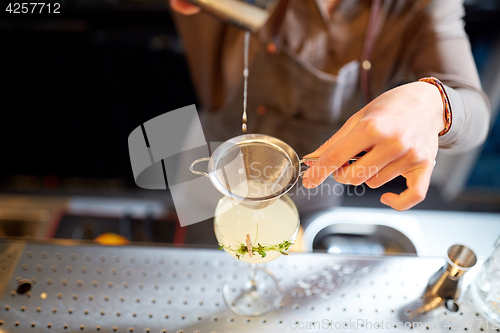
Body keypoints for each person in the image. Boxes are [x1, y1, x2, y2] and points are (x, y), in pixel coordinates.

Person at [170, 0, 490, 212]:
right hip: (214, 157)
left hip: (312, 184)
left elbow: (475, 110)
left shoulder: (422, 6)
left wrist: (434, 103)